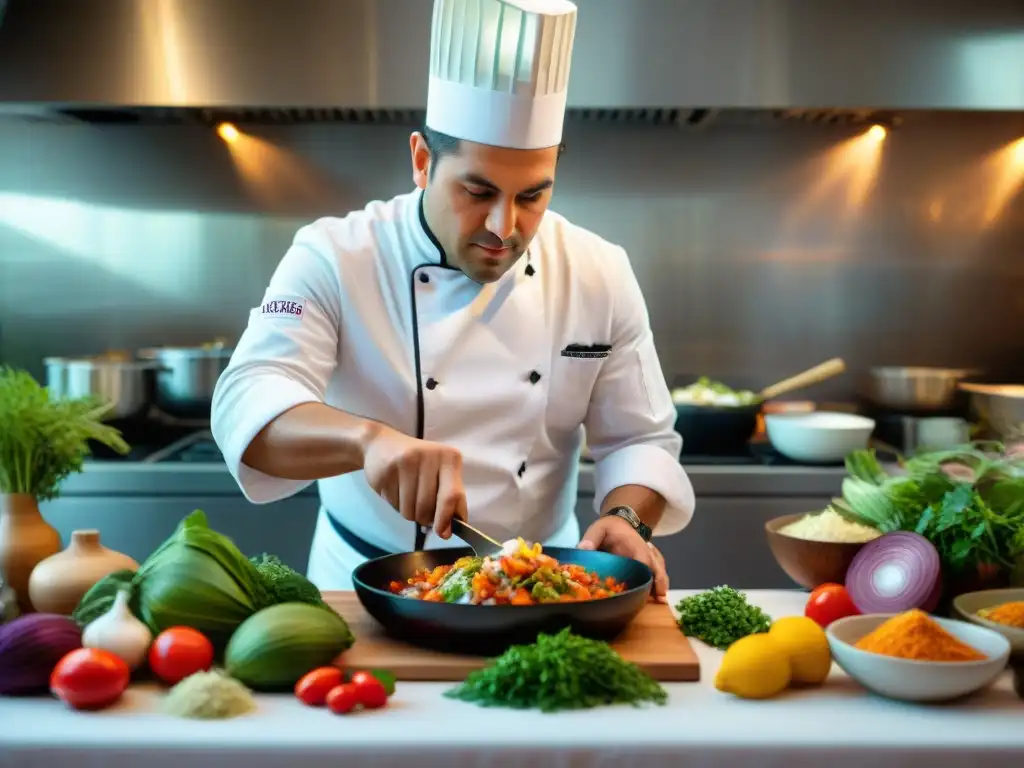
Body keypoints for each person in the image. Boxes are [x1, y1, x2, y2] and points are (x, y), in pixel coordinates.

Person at [210, 0, 695, 600]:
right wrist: (367, 442)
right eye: (477, 190)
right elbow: (247, 406)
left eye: (533, 196)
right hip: (362, 592)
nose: (504, 225)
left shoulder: (599, 269)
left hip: (539, 592)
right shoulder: (335, 255)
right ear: (421, 160)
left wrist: (627, 519)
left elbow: (640, 439)